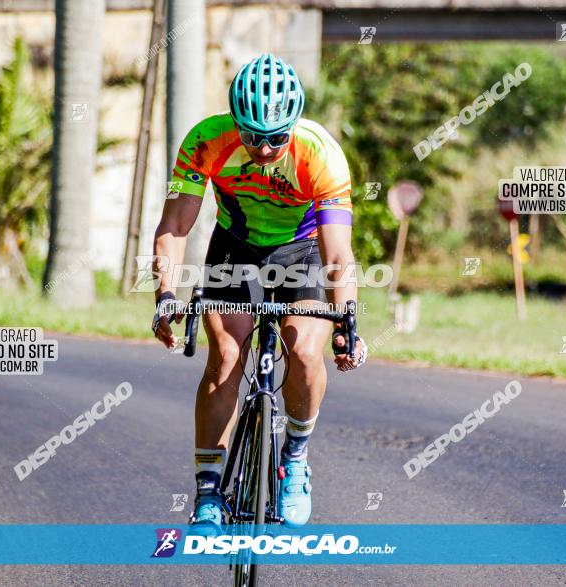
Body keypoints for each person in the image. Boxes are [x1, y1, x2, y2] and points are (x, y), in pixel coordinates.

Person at [151, 54, 367, 532]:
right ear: (235, 122)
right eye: (252, 136)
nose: (265, 149)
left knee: (306, 349)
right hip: (235, 247)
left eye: (275, 138)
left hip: (302, 250)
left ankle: (295, 457)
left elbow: (337, 255)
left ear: (293, 125)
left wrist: (347, 318)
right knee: (226, 353)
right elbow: (175, 225)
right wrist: (166, 292)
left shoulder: (320, 153)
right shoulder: (206, 140)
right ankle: (208, 491)